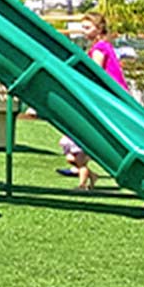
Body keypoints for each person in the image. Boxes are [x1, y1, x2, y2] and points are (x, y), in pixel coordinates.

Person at [58, 18, 129, 190]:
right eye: (82, 27)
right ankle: (87, 174)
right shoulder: (103, 46)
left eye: (87, 28)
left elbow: (95, 72)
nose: (84, 31)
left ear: (99, 29)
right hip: (114, 94)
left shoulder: (99, 48)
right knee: (73, 149)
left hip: (108, 96)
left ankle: (83, 179)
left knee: (79, 143)